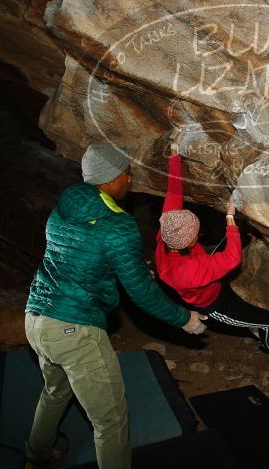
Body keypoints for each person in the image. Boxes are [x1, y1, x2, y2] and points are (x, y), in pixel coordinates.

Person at [24, 142, 208, 469]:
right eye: (126, 174)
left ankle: (35, 455)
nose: (130, 180)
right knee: (111, 421)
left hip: (37, 318)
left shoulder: (64, 207)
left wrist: (127, 264)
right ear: (110, 179)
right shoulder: (118, 225)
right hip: (74, 329)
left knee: (55, 392)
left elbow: (77, 256)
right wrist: (184, 318)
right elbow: (140, 292)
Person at [155, 136, 269, 355]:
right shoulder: (187, 272)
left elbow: (174, 192)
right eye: (196, 233)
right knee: (267, 320)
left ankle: (249, 238)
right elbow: (232, 259)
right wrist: (229, 218)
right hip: (215, 304)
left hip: (210, 279)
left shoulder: (169, 228)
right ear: (189, 242)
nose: (199, 232)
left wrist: (174, 152)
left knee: (231, 241)